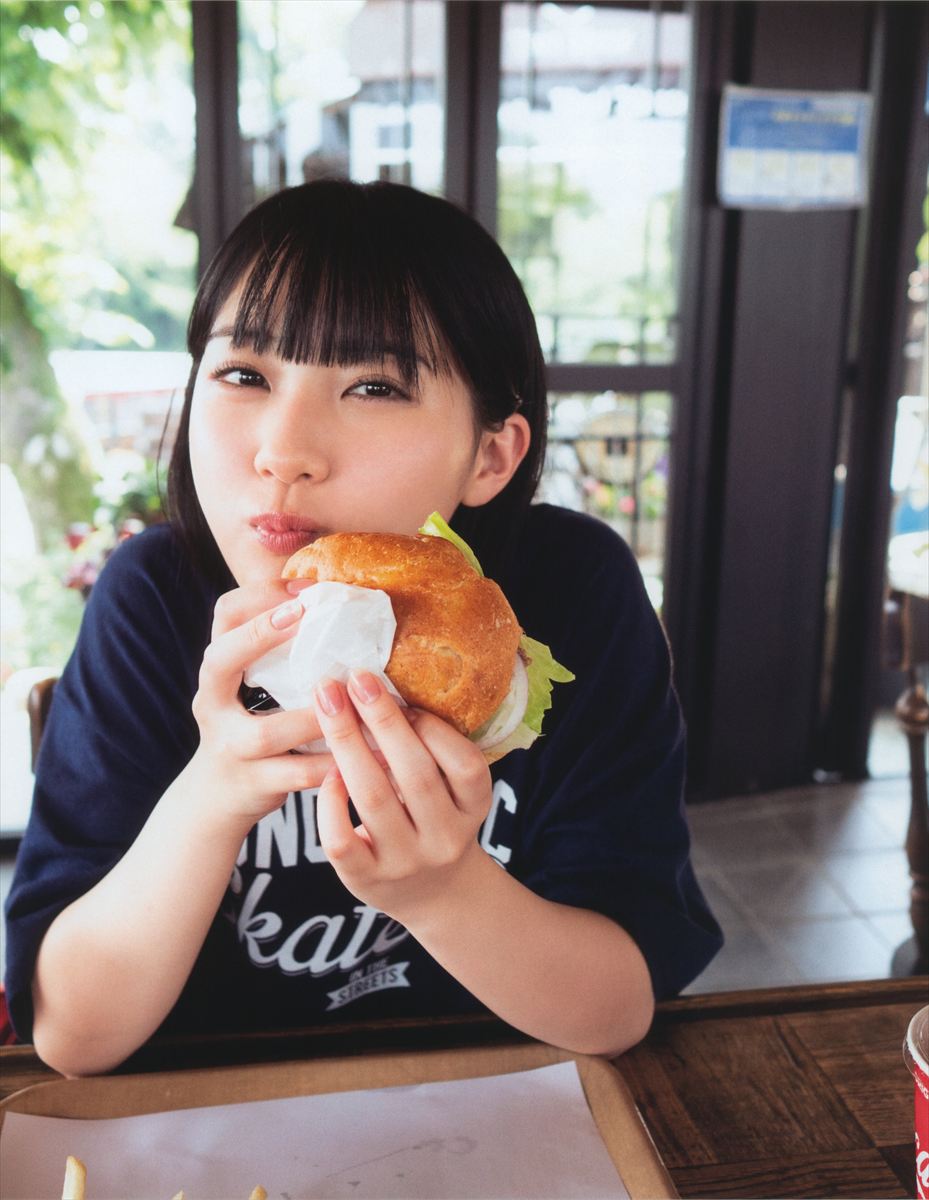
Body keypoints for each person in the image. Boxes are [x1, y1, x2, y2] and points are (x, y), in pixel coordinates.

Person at [4, 181, 721, 1076]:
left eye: (374, 386)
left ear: (490, 454)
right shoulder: (152, 599)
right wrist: (214, 791)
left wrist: (442, 890)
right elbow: (72, 1036)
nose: (283, 452)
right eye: (244, 376)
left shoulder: (571, 590)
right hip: (216, 1109)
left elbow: (615, 1009)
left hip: (496, 1098)